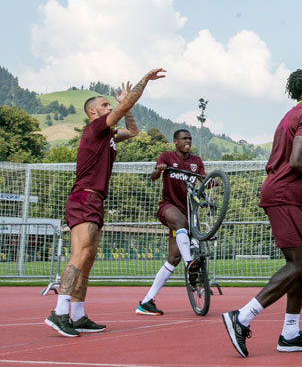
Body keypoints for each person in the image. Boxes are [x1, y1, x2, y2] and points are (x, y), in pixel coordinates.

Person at [222, 68, 302, 358]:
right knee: (298, 264)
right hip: (285, 194)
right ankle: (241, 318)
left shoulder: (292, 115)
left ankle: (290, 333)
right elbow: (297, 160)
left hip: (285, 194)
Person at [44, 68, 165, 337]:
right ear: (93, 113)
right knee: (79, 256)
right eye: (105, 105)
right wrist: (144, 81)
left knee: (88, 259)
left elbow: (133, 131)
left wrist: (124, 107)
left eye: (110, 104)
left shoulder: (108, 136)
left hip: (96, 200)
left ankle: (77, 315)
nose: (110, 107)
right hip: (84, 197)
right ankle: (59, 312)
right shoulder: (95, 129)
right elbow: (127, 106)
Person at [135, 129, 204, 316]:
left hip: (186, 212)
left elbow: (202, 182)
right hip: (168, 207)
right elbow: (154, 176)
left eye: (190, 138)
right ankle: (190, 263)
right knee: (181, 223)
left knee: (173, 258)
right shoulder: (166, 156)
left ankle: (146, 302)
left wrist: (213, 183)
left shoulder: (196, 162)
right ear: (175, 142)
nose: (187, 141)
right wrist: (159, 170)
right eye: (184, 138)